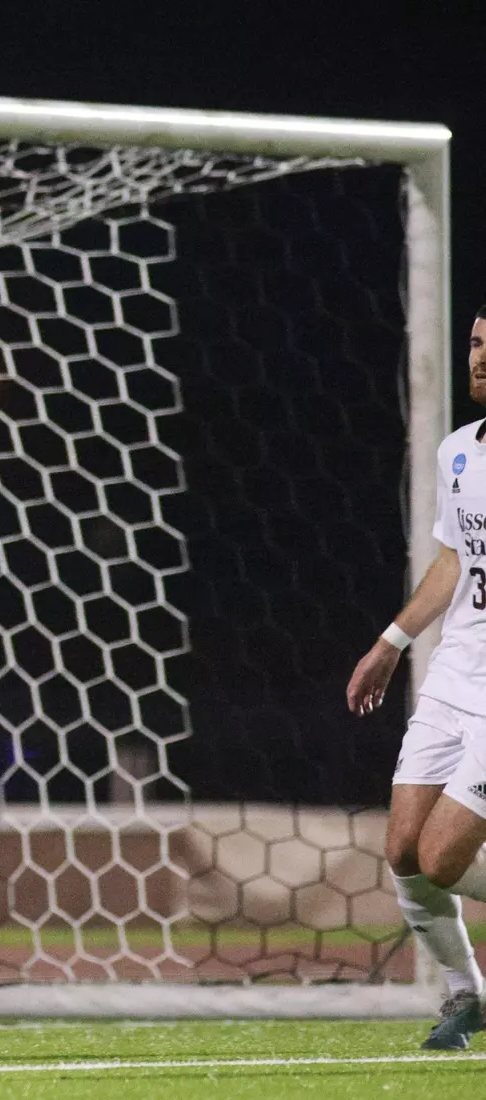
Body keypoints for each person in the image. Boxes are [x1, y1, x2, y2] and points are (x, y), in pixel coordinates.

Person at [348, 305, 486, 1050]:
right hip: (454, 672)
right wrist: (391, 641)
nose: (478, 359)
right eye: (472, 344)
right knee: (403, 852)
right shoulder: (458, 452)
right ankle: (465, 994)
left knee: (442, 858)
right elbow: (451, 560)